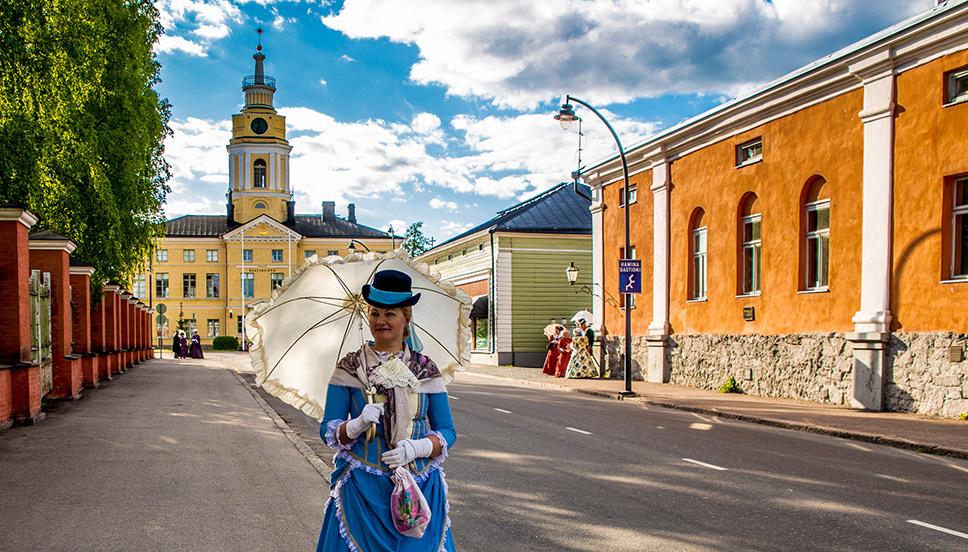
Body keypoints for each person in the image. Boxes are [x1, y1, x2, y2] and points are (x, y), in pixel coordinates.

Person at [316, 269, 457, 552]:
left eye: (389, 314)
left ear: (406, 318)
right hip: (362, 490)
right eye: (374, 313)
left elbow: (447, 431)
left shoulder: (425, 369)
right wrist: (355, 425)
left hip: (418, 488)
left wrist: (417, 448)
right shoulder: (350, 368)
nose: (380, 321)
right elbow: (328, 430)